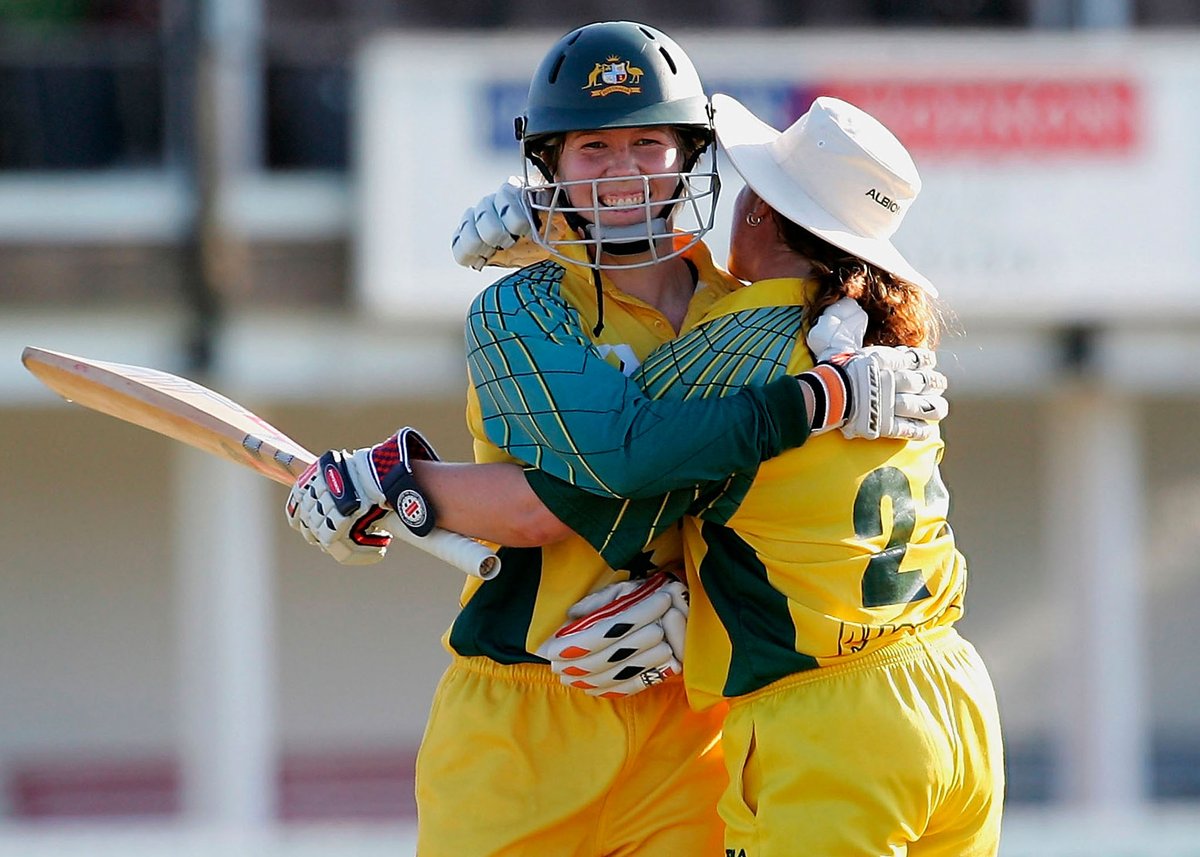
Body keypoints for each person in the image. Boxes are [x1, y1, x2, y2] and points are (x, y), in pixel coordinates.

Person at [285, 21, 949, 857]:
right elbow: (558, 504)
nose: (624, 172)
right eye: (593, 149)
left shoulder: (738, 309)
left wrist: (398, 482)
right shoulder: (519, 308)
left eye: (647, 144)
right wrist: (401, 480)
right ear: (549, 166)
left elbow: (763, 507)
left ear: (689, 155)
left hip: (688, 722)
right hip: (523, 715)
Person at [502, 94, 1006, 856]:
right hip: (954, 696)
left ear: (763, 217)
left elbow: (605, 453)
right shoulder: (874, 327)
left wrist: (551, 247)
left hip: (826, 722)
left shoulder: (730, 343)